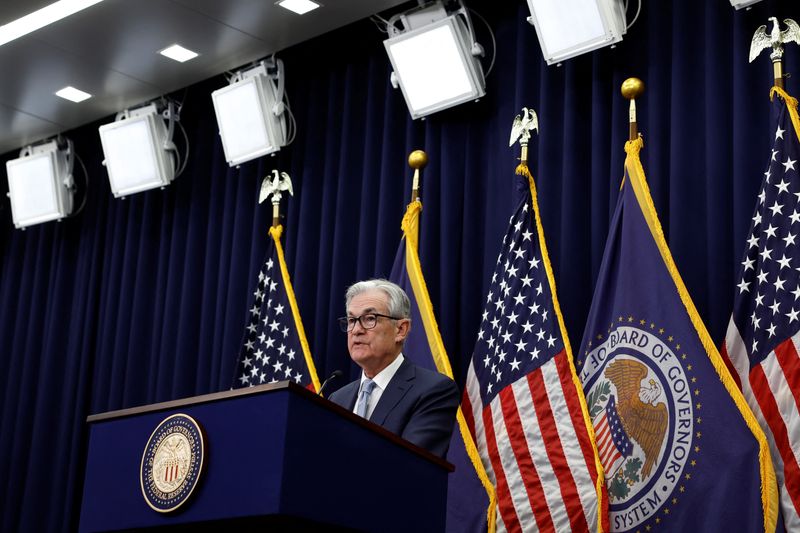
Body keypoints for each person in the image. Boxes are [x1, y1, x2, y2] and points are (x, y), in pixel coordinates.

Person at [327, 279, 460, 458]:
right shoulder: (337, 399)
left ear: (401, 330)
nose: (356, 330)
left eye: (369, 319)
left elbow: (409, 464)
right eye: (352, 320)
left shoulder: (434, 391)